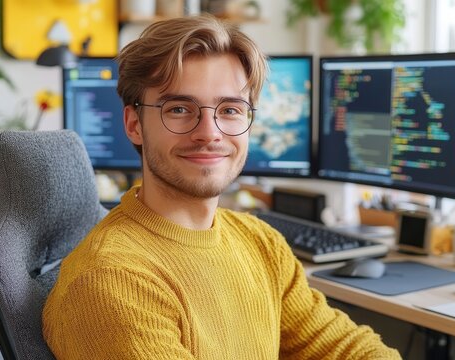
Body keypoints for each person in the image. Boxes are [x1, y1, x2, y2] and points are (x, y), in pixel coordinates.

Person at [42, 14, 401, 359]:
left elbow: (342, 347)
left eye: (230, 110)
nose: (209, 133)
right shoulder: (112, 282)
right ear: (134, 124)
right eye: (180, 109)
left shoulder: (261, 243)